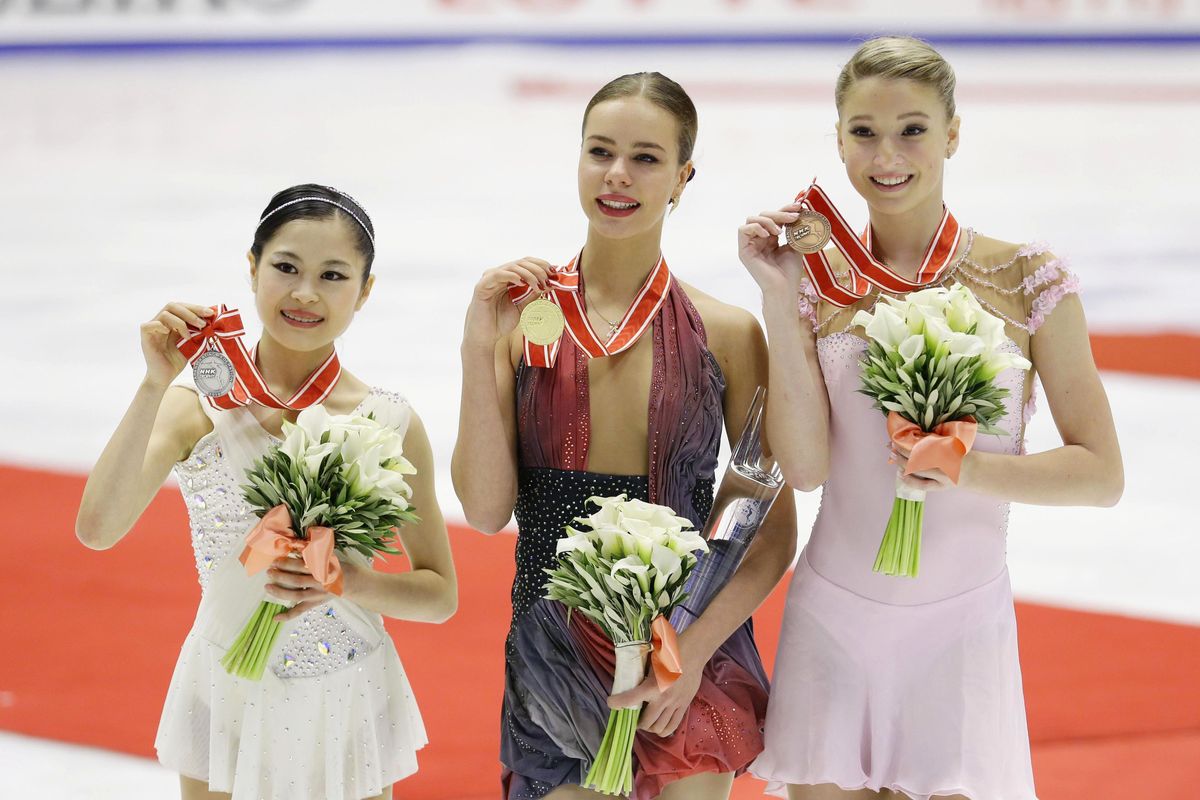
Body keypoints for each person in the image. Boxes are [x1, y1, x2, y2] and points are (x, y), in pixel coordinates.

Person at [740, 36, 1124, 800]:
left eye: (912, 128)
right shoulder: (820, 285)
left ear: (952, 133)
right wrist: (780, 300)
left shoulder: (1024, 278)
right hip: (834, 621)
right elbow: (809, 468)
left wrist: (965, 467)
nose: (887, 154)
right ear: (840, 137)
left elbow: (1101, 476)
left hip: (959, 630)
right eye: (863, 132)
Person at [453, 72, 797, 800]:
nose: (617, 175)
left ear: (682, 177)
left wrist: (691, 653)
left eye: (645, 157)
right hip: (555, 651)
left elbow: (767, 533)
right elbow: (485, 511)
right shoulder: (519, 323)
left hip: (692, 651)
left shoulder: (729, 335)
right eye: (600, 151)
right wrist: (475, 348)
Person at [75, 184, 457, 800]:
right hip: (227, 680)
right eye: (286, 267)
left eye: (333, 275)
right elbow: (97, 529)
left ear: (365, 291)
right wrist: (153, 385)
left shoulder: (388, 421)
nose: (305, 293)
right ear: (252, 270)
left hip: (348, 688)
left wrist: (344, 583)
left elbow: (440, 596)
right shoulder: (196, 407)